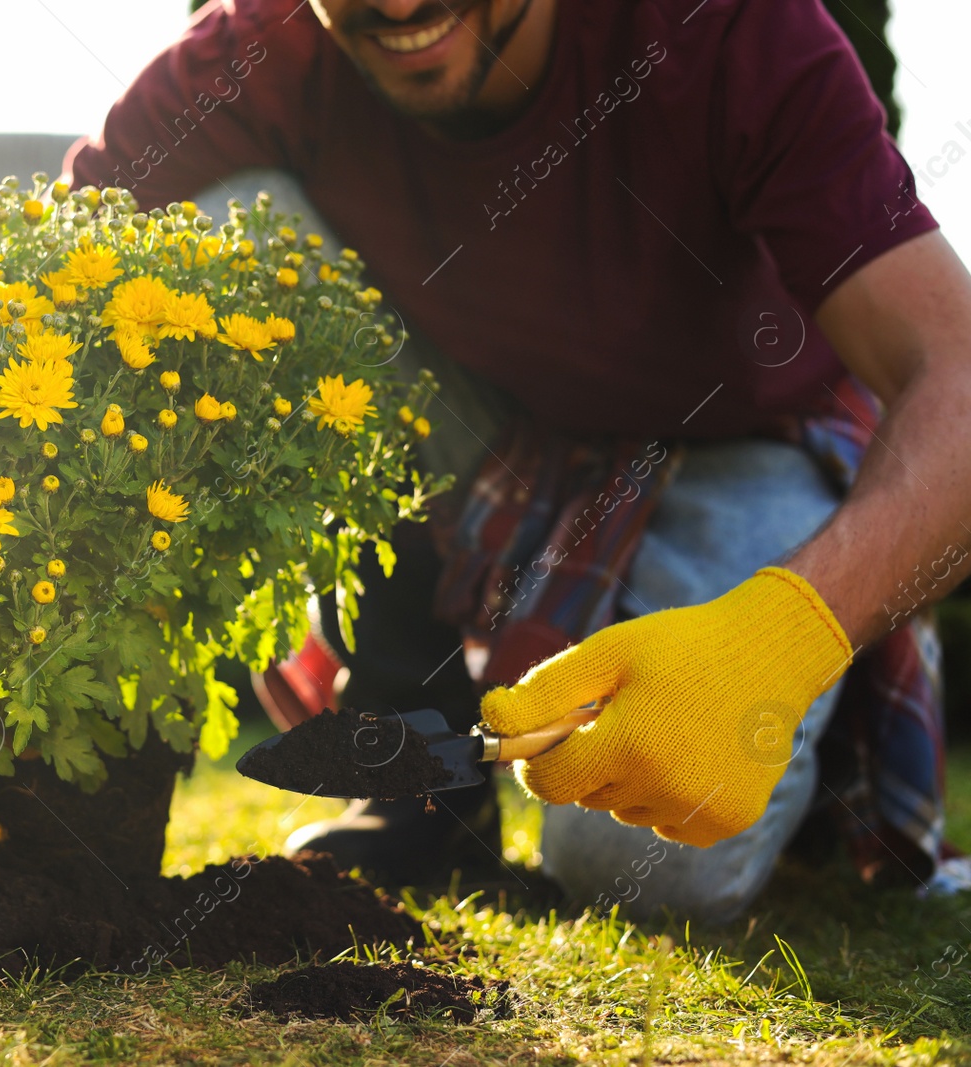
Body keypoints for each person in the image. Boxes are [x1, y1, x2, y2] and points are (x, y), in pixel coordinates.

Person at [64, 0, 971, 922]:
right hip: (500, 429)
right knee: (213, 230)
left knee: (646, 867)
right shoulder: (251, 52)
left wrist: (774, 645)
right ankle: (413, 765)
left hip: (743, 439)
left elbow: (960, 380)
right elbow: (39, 289)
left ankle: (818, 739)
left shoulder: (735, 30)